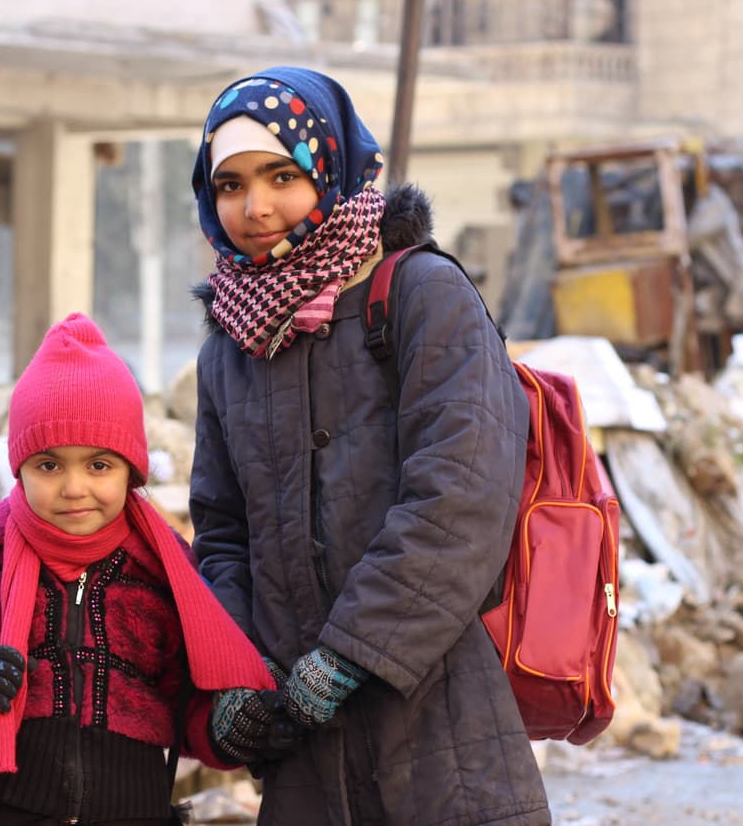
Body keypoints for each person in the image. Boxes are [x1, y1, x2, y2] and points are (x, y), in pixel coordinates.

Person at [188, 66, 551, 825]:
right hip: (305, 763)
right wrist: (235, 679)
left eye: (281, 175)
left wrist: (352, 652)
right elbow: (222, 532)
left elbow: (462, 497)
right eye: (230, 184)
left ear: (330, 168)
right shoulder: (231, 342)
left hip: (443, 741)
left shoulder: (422, 294)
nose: (254, 207)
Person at [0, 313, 294, 826]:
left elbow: (189, 703)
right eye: (49, 465)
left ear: (131, 471)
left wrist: (232, 726)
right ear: (19, 466)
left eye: (99, 465)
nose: (74, 488)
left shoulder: (167, 580)